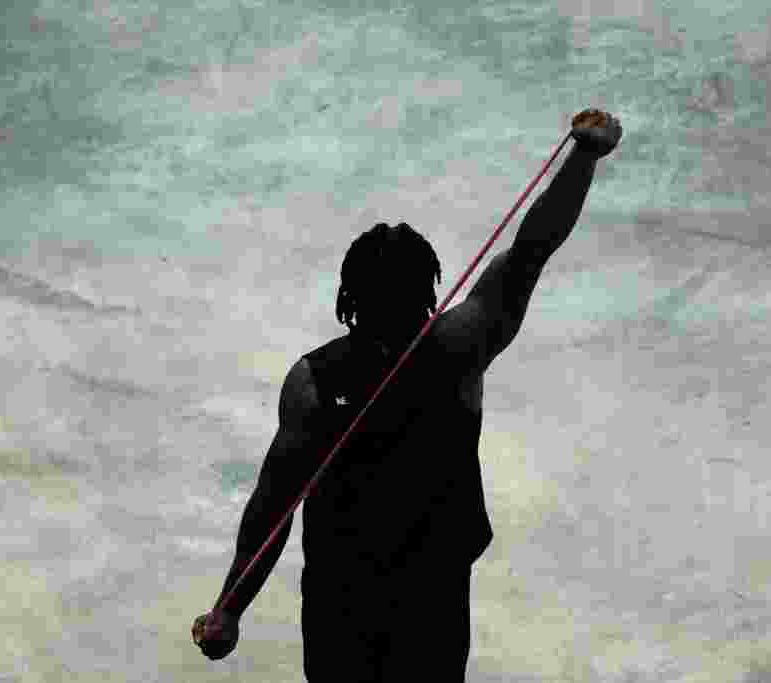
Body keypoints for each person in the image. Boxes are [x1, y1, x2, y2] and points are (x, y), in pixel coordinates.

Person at [192, 108, 623, 681]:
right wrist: (585, 157)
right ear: (429, 289)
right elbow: (531, 250)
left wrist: (231, 608)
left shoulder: (324, 379)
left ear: (349, 297)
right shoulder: (449, 348)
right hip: (388, 596)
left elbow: (273, 505)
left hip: (383, 595)